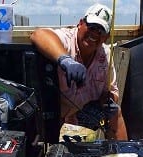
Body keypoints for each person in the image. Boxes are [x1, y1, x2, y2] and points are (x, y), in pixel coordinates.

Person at [30, 3, 128, 141]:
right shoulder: (67, 38)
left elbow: (112, 91)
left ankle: (122, 155)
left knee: (115, 112)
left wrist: (108, 101)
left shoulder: (106, 55)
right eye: (92, 27)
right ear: (80, 24)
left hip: (83, 112)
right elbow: (38, 34)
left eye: (101, 31)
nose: (95, 33)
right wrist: (65, 60)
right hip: (54, 112)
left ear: (106, 37)